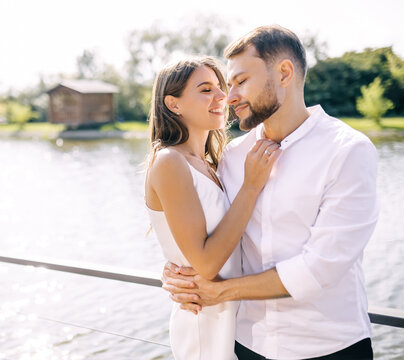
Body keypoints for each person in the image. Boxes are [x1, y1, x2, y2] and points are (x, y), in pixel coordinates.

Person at [161, 25, 379, 360]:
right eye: (227, 84)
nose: (229, 97)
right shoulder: (233, 158)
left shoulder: (348, 151)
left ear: (285, 73)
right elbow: (206, 231)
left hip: (329, 348)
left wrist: (218, 292)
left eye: (241, 82)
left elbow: (320, 267)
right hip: (248, 346)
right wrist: (176, 273)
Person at [145, 56, 280, 360]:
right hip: (203, 325)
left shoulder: (210, 165)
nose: (222, 96)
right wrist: (251, 186)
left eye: (221, 87)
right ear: (174, 104)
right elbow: (205, 264)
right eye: (206, 90)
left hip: (236, 321)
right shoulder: (170, 162)